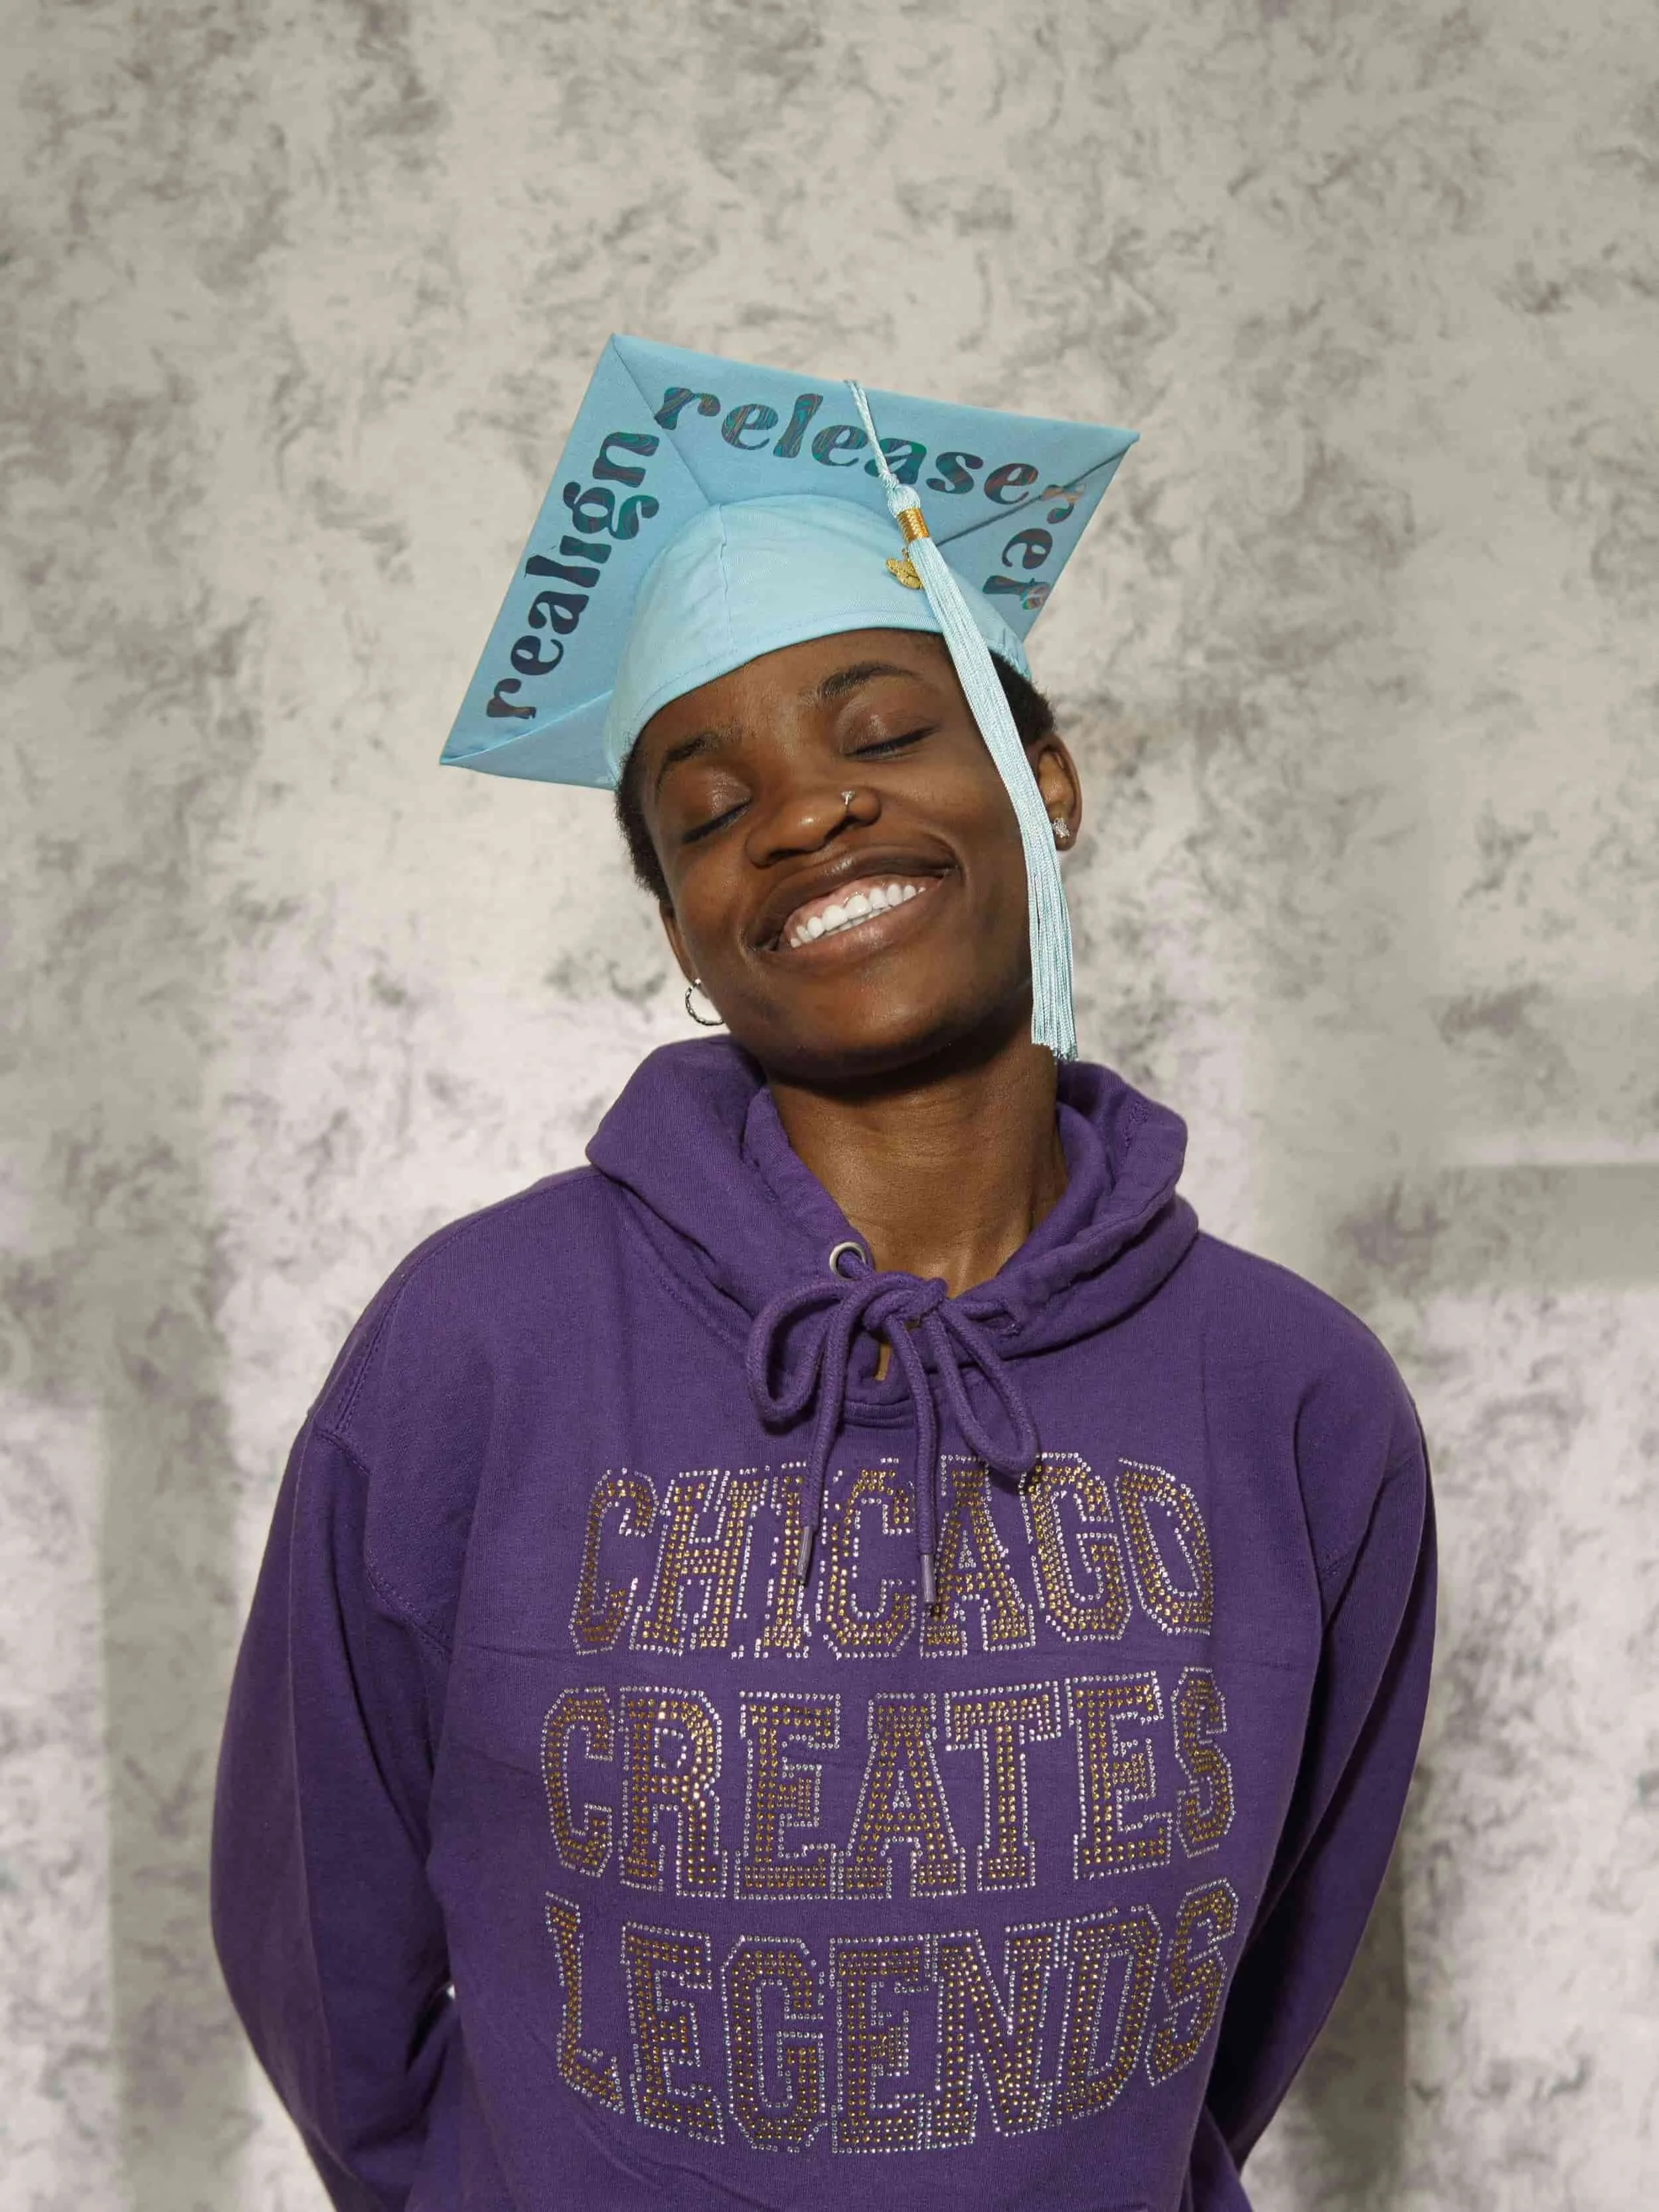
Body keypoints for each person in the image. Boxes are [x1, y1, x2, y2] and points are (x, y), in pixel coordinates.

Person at [211, 338, 1435, 2212]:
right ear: (690, 938)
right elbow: (325, 1938)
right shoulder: (476, 1344)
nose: (801, 813)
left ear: (1045, 784)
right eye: (707, 811)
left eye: (882, 735)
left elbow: (1250, 2001)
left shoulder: (1298, 1394)